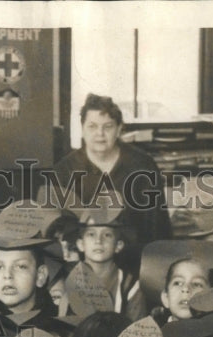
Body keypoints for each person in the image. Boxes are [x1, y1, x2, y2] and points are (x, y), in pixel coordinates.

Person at [42, 94, 171, 262]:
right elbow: (53, 230)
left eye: (108, 127)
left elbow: (158, 229)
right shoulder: (63, 171)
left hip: (134, 263)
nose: (100, 134)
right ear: (82, 128)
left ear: (118, 129)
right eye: (92, 126)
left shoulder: (143, 166)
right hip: (80, 267)